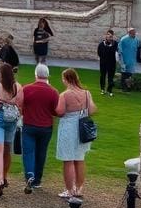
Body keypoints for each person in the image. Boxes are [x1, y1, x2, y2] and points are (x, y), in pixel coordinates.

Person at [55, 68, 97, 199]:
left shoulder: (65, 95)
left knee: (68, 159)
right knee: (79, 158)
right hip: (82, 126)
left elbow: (60, 111)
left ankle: (69, 190)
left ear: (66, 79)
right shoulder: (86, 93)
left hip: (69, 127)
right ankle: (78, 188)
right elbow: (92, 110)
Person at [0, 62, 24, 196]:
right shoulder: (18, 87)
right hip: (11, 120)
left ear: (1, 73)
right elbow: (21, 106)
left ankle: (0, 178)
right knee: (7, 150)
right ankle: (5, 176)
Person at [21, 63, 59, 193]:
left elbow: (20, 105)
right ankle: (37, 180)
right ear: (47, 75)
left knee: (28, 152)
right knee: (41, 152)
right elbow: (56, 111)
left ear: (36, 74)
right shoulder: (53, 92)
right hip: (46, 127)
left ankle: (29, 175)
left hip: (29, 125)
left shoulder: (26, 89)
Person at [97, 29, 118, 96]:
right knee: (102, 76)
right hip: (103, 63)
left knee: (111, 77)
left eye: (111, 35)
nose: (109, 37)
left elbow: (116, 52)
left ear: (113, 36)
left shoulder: (115, 44)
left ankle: (110, 91)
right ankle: (102, 89)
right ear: (106, 36)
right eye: (108, 35)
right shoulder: (101, 44)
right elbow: (99, 53)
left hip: (112, 63)